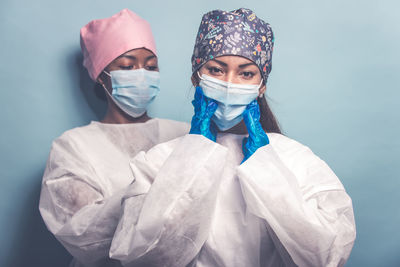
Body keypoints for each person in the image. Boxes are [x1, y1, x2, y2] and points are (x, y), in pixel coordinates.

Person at [108, 8, 356, 267]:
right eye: (216, 70)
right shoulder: (158, 160)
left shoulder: (296, 159)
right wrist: (194, 155)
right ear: (196, 77)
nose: (229, 83)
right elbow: (140, 257)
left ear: (261, 85)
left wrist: (266, 165)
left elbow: (327, 256)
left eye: (246, 73)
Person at [39, 9, 189, 267]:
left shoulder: (185, 134)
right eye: (128, 66)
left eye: (151, 66)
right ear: (101, 75)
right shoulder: (72, 148)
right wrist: (155, 194)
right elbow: (82, 235)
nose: (142, 74)